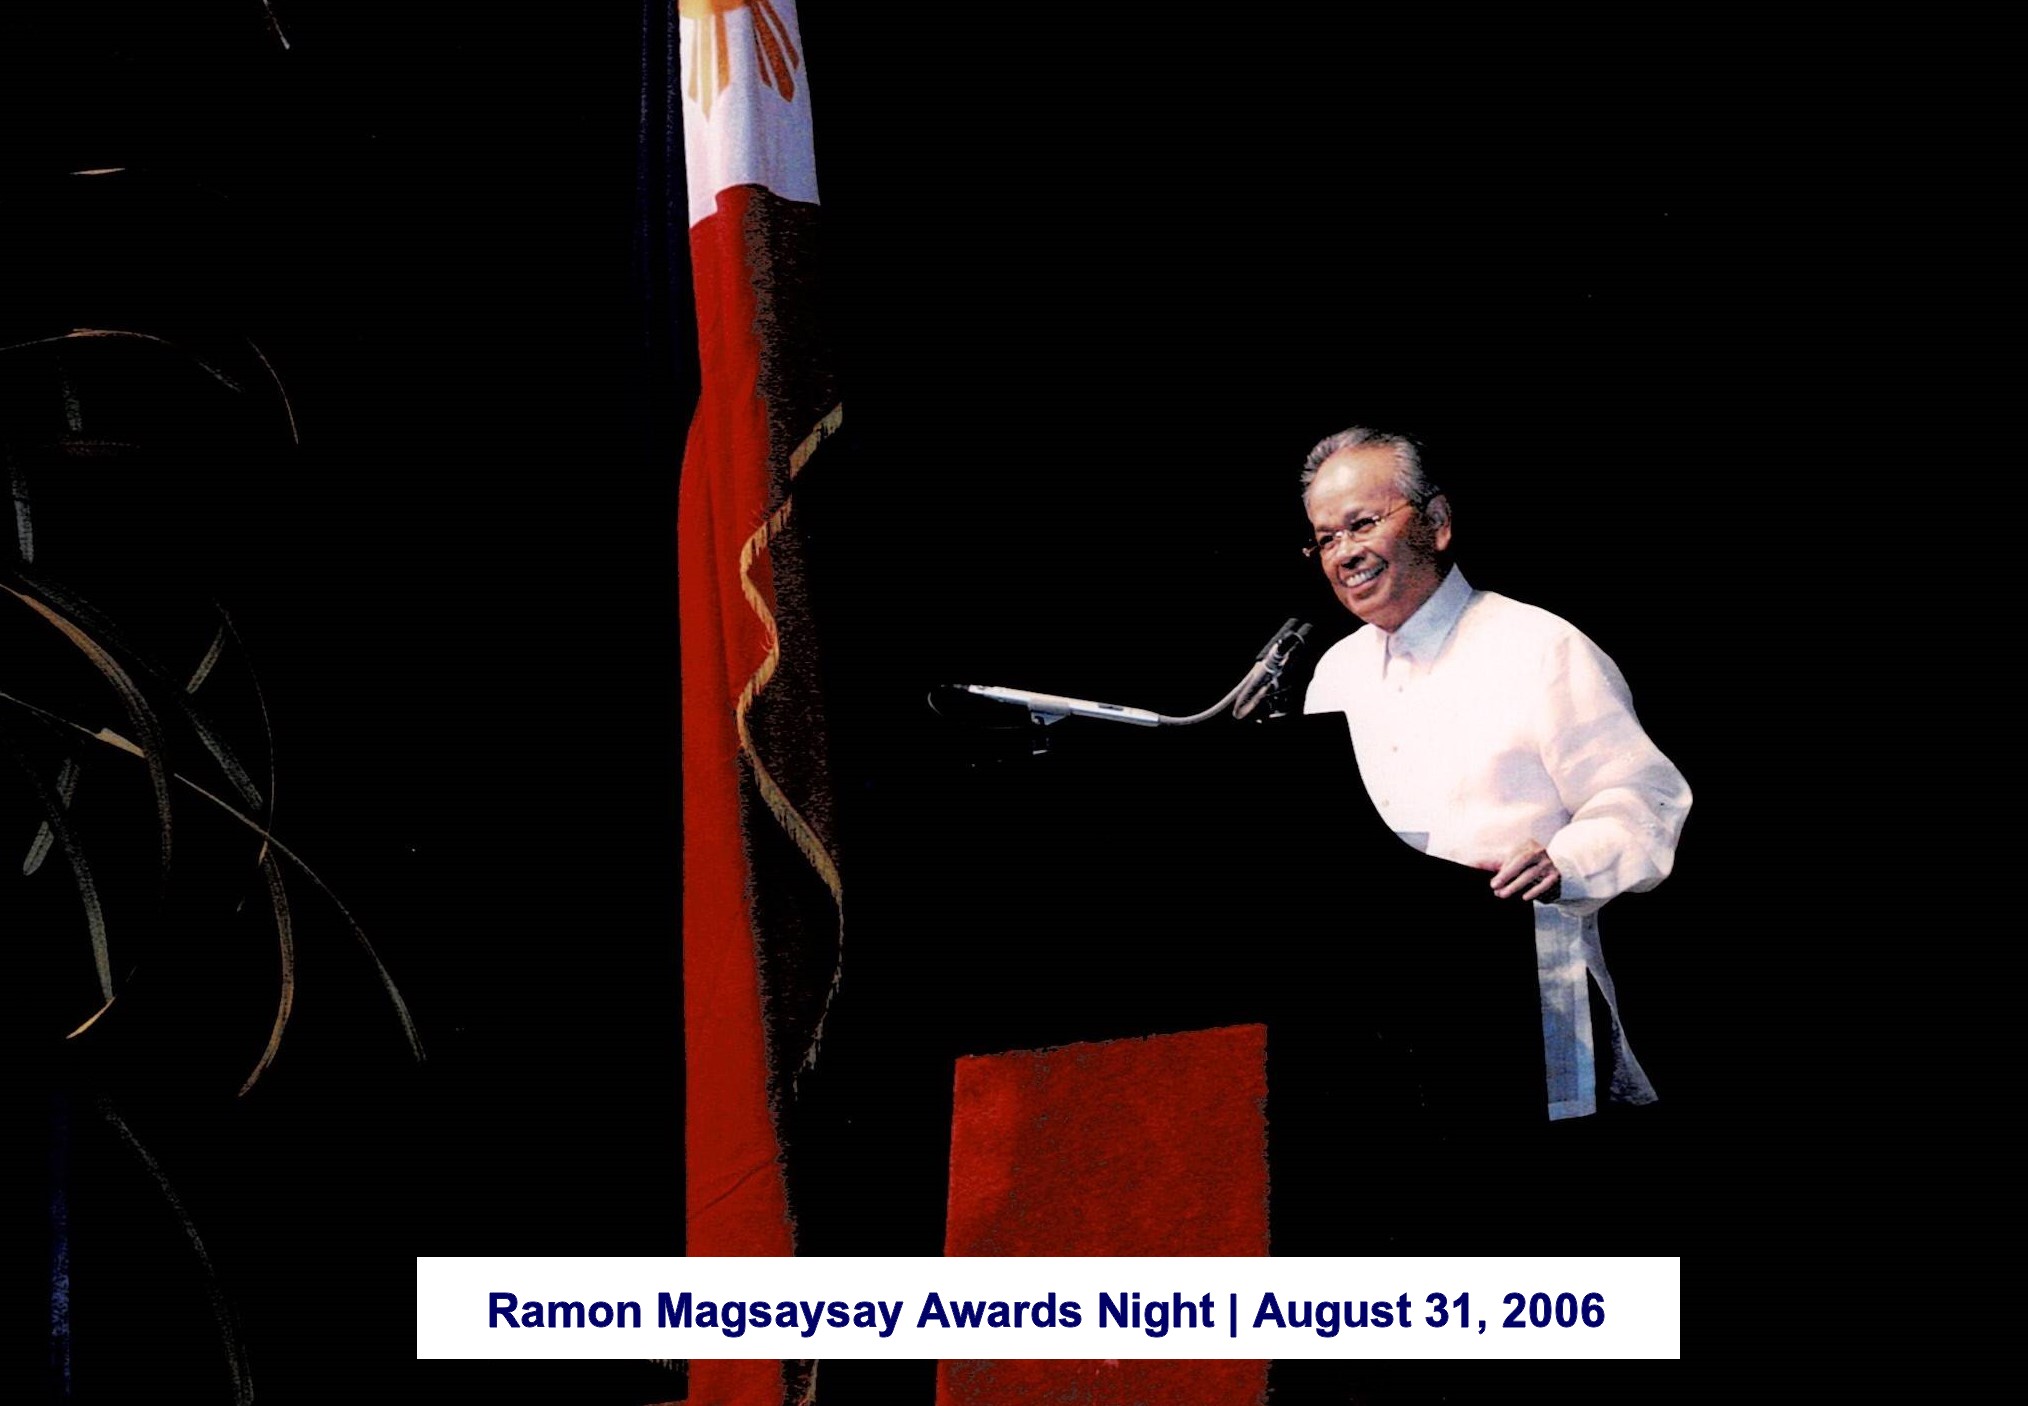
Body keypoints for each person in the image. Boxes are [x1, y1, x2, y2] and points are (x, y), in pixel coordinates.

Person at [1299, 426, 1690, 1121]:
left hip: (1517, 993)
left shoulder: (1539, 645)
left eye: (1362, 524)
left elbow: (1643, 795)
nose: (1344, 553)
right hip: (1379, 1016)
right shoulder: (1334, 674)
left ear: (1438, 521)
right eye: (1325, 538)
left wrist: (1564, 860)